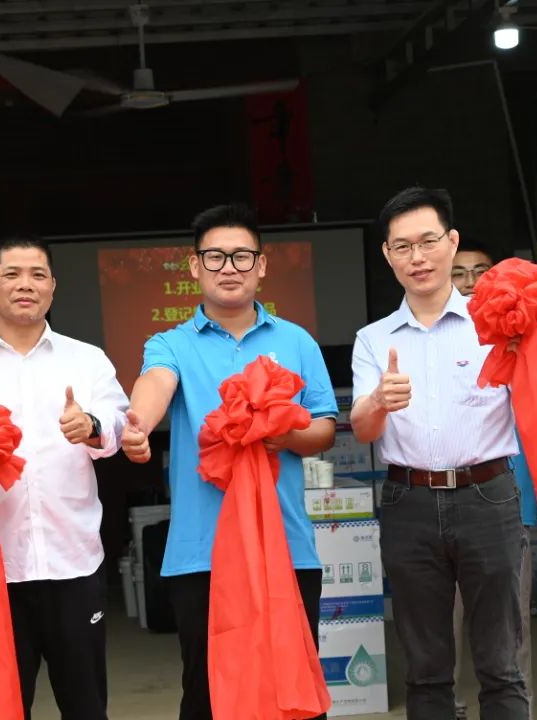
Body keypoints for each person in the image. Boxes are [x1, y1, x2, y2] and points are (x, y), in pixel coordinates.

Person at [121, 203, 337, 720]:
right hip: (202, 553)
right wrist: (138, 424)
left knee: (292, 691)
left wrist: (283, 433)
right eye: (215, 257)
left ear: (262, 265)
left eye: (242, 256)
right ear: (195, 267)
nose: (229, 268)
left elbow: (324, 429)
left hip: (286, 547)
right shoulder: (171, 343)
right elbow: (156, 385)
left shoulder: (296, 341)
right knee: (208, 694)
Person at [0, 235, 128, 720]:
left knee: (87, 706)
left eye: (37, 275)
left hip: (74, 562)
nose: (25, 285)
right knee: (2, 708)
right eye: (11, 274)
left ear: (53, 286)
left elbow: (119, 424)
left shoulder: (87, 359)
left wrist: (92, 426)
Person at [351, 187, 528, 719]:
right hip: (409, 502)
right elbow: (362, 429)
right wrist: (379, 401)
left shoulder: (498, 326)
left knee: (501, 663)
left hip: (488, 497)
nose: (418, 257)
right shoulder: (372, 339)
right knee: (425, 668)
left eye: (428, 242)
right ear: (387, 255)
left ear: (452, 242)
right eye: (402, 247)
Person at [451, 237, 537, 719]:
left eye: (479, 271)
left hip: (508, 499)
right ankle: (450, 706)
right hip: (441, 504)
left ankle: (517, 709)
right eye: (459, 272)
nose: (469, 282)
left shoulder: (519, 333)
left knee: (511, 624)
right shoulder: (427, 335)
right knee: (444, 623)